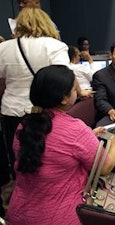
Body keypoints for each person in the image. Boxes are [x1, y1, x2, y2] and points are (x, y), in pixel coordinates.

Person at [6, 65, 115, 225]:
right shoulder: (75, 128)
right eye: (75, 89)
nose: (77, 92)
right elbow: (104, 167)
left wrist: (87, 137)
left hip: (18, 214)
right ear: (64, 98)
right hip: (60, 217)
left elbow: (53, 149)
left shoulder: (24, 126)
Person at [0, 8, 92, 191]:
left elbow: (1, 83)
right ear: (45, 23)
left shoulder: (3, 48)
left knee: (20, 159)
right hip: (45, 111)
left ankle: (24, 194)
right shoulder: (54, 45)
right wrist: (80, 91)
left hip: (11, 111)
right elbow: (64, 77)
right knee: (50, 161)